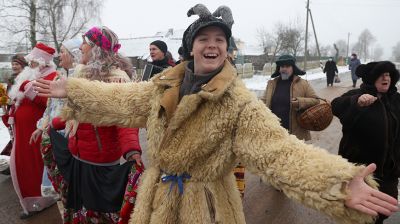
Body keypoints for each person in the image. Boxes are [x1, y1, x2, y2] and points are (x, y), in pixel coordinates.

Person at [34, 4, 398, 224]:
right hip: (156, 199)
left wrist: (334, 184)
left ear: (227, 50)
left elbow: (280, 153)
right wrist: (74, 89)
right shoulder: (163, 86)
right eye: (204, 39)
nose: (212, 45)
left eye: (220, 40)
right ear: (191, 48)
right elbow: (124, 100)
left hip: (205, 207)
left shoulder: (237, 104)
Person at [45, 27, 142, 224]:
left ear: (97, 48)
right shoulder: (82, 76)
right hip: (77, 156)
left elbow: (125, 119)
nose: (80, 47)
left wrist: (132, 150)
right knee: (80, 209)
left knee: (99, 213)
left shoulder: (116, 78)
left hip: (101, 165)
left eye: (85, 43)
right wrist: (53, 125)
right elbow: (78, 112)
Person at [332, 61, 400, 224]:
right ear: (371, 78)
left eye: (389, 74)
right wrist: (356, 101)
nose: (386, 78)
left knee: (382, 211)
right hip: (360, 173)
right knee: (358, 214)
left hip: (388, 173)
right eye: (382, 74)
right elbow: (335, 106)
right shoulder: (356, 95)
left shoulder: (397, 100)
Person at [6, 43, 58, 218]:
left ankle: (38, 202)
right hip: (23, 132)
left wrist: (28, 87)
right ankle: (31, 202)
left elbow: (49, 104)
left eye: (34, 62)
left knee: (33, 168)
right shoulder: (32, 75)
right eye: (30, 62)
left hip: (35, 132)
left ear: (43, 62)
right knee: (23, 166)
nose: (31, 66)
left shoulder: (53, 76)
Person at [262, 54, 320, 141]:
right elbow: (263, 101)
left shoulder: (303, 83)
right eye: (282, 66)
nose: (284, 69)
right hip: (274, 132)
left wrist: (299, 102)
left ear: (293, 68)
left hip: (295, 135)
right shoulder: (272, 84)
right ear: (279, 69)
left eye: (287, 66)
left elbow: (316, 100)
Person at [0, 54, 28, 174]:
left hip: (22, 110)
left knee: (20, 138)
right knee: (13, 136)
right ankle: (16, 163)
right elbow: (7, 96)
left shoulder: (27, 78)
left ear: (22, 65)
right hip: (11, 110)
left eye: (16, 64)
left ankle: (19, 163)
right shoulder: (11, 79)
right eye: (13, 64)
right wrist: (4, 102)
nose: (14, 66)